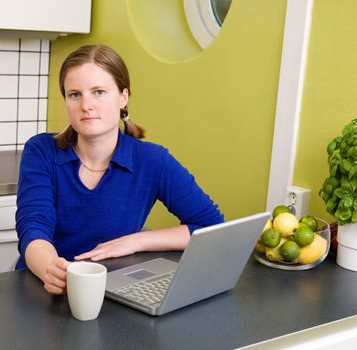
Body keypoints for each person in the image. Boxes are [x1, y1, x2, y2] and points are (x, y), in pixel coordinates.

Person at [15, 44, 224, 295]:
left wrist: (137, 241)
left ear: (123, 97)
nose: (86, 105)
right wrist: (52, 269)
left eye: (99, 92)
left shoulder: (152, 159)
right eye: (75, 94)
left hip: (112, 291)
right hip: (43, 286)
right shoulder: (41, 151)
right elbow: (34, 226)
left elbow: (210, 227)